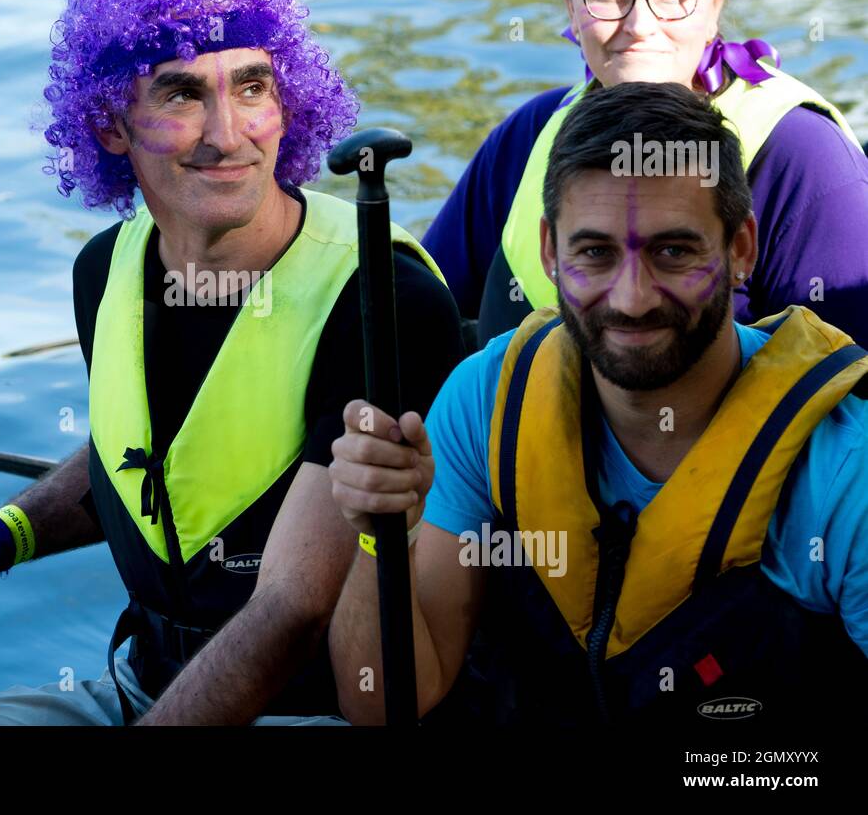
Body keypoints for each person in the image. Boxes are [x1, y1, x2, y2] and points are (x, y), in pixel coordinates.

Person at [0, 0, 464, 725]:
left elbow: (293, 607)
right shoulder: (105, 268)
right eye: (182, 93)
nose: (228, 135)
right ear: (109, 126)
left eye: (254, 87)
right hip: (135, 688)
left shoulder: (384, 302)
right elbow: (144, 466)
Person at [328, 81, 868, 725]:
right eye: (596, 253)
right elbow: (383, 704)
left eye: (673, 251)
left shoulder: (845, 468)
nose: (633, 298)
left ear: (741, 248)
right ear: (551, 252)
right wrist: (381, 535)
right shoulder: (486, 403)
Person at [422, 0, 868, 348]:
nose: (639, 25)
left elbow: (852, 387)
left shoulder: (803, 157)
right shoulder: (528, 136)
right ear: (571, 5)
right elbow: (415, 320)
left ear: (717, 0)